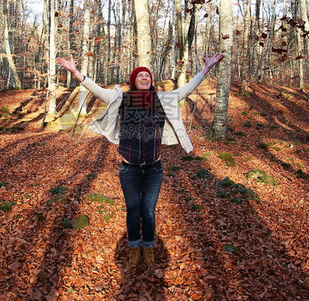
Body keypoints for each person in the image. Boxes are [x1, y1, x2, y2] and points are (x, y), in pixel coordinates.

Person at [56, 53, 224, 268]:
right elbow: (96, 90)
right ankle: (134, 247)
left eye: (148, 76)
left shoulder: (163, 99)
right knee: (133, 212)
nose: (145, 78)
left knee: (148, 212)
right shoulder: (122, 99)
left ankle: (149, 247)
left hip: (154, 169)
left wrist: (206, 68)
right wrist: (75, 72)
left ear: (151, 80)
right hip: (129, 169)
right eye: (140, 76)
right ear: (134, 80)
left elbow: (187, 90)